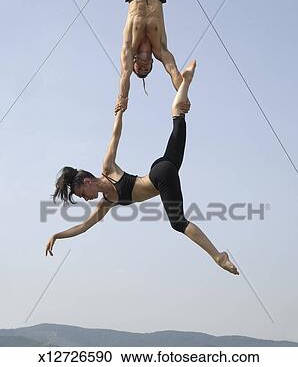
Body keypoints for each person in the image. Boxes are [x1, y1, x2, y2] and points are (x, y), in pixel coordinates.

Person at [46, 61, 238, 276]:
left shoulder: (107, 168)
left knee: (178, 222)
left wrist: (120, 111)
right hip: (162, 167)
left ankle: (218, 256)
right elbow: (82, 226)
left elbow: (114, 136)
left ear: (87, 181)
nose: (85, 199)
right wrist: (57, 235)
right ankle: (185, 82)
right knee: (178, 117)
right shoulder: (106, 204)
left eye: (82, 194)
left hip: (160, 176)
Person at [116, 0, 185, 112]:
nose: (143, 67)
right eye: (147, 69)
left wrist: (123, 99)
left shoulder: (129, 49)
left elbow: (125, 75)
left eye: (139, 69)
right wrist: (183, 94)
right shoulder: (160, 49)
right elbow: (173, 71)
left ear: (134, 63)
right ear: (153, 63)